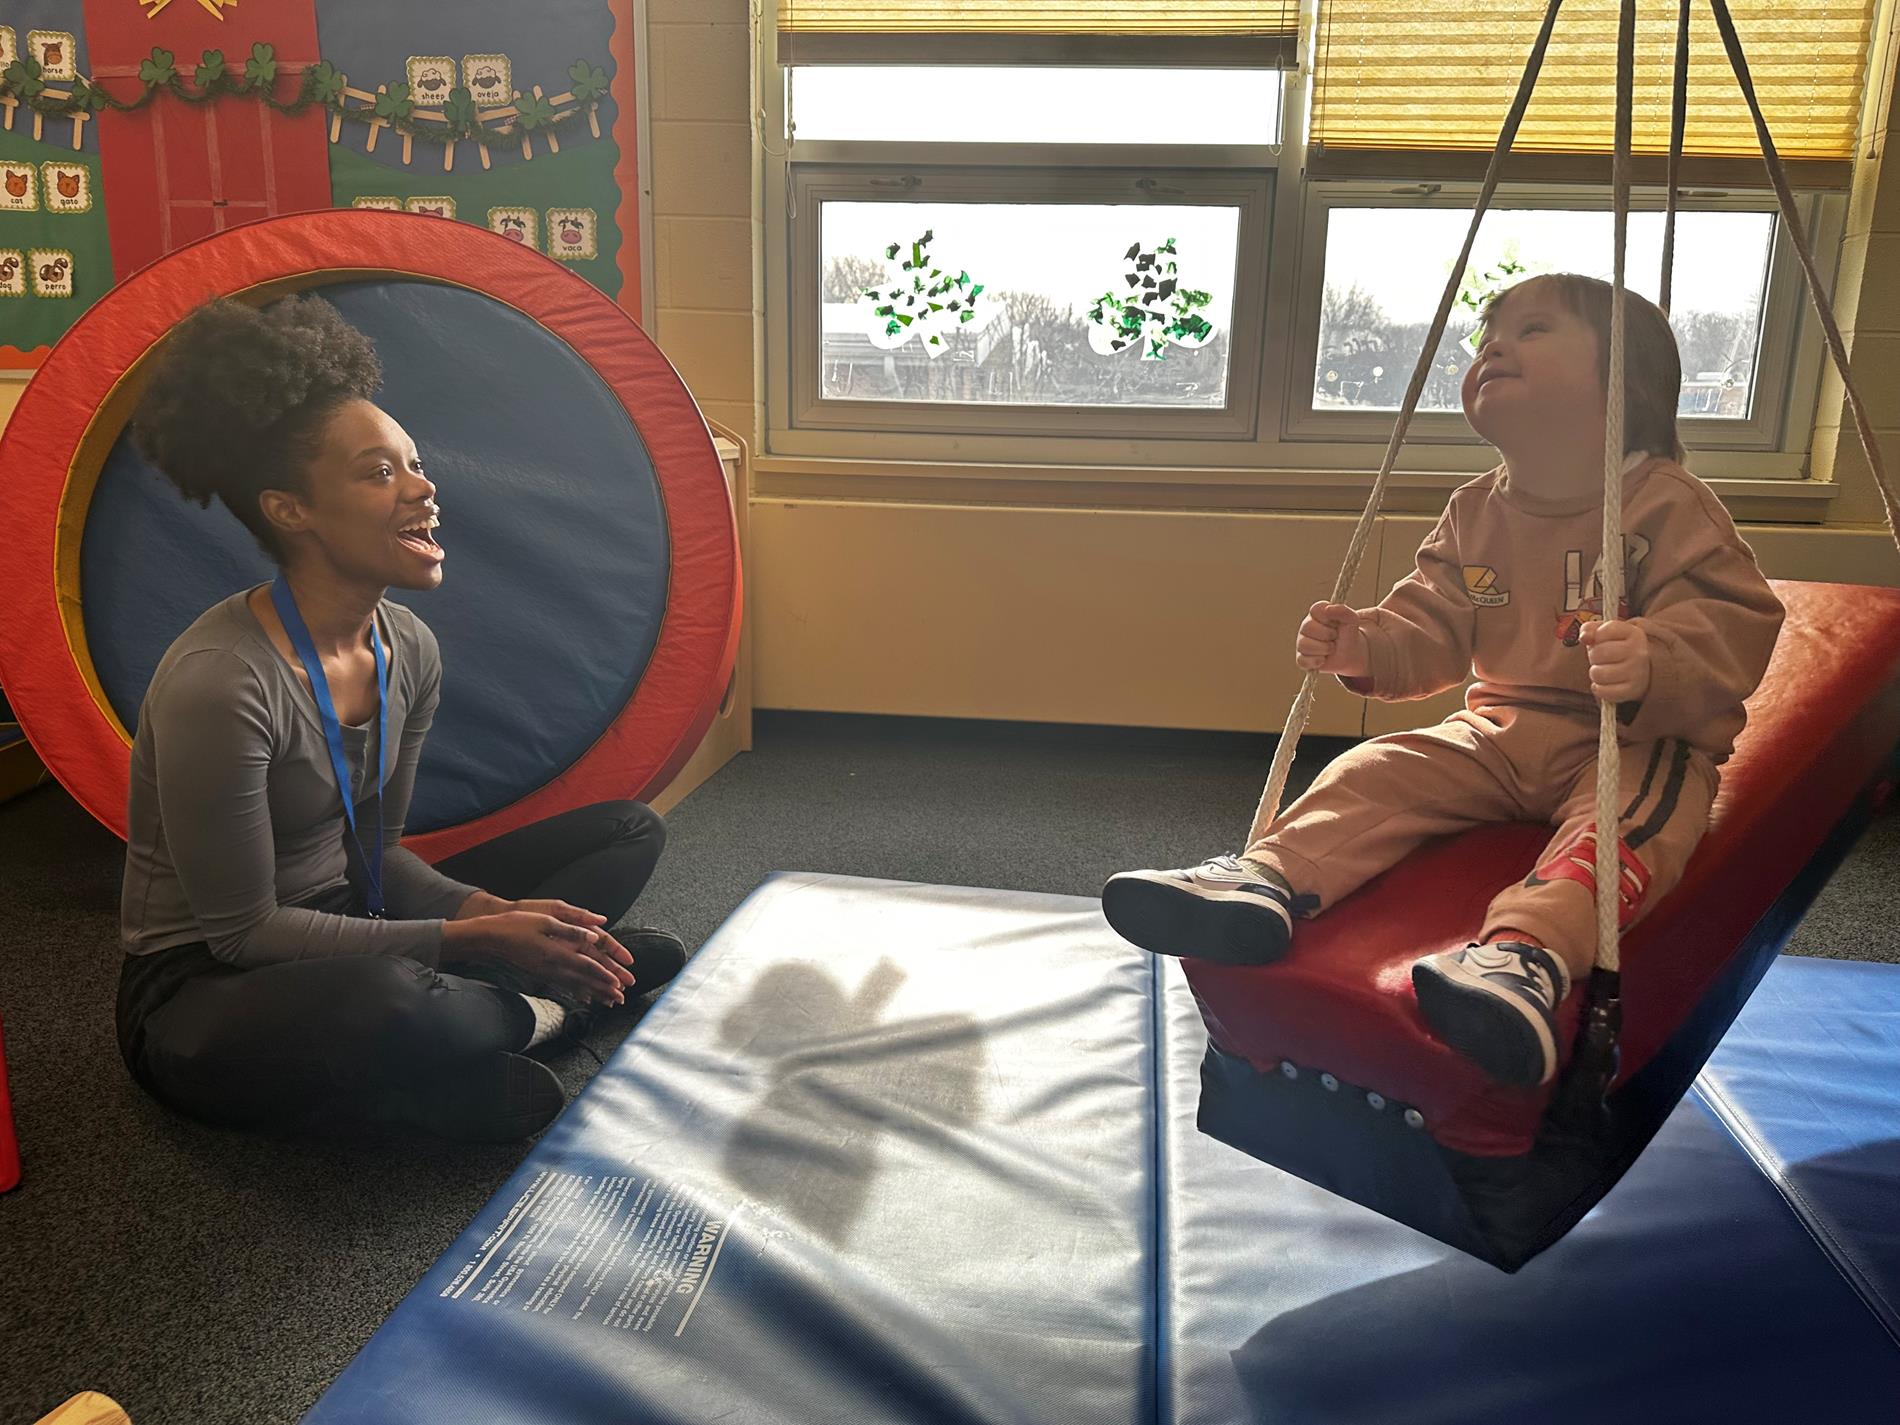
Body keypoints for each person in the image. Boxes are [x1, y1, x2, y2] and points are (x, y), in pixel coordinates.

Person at [1103, 274, 1785, 1089]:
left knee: (1629, 823)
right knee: (1376, 768)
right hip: (1502, 730)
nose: (1494, 345)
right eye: (1489, 334)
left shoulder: (1668, 504)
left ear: (1624, 382)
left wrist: (1658, 658)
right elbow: (1430, 627)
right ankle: (1269, 877)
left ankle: (1521, 955)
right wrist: (1364, 644)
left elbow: (1739, 619)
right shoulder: (1475, 511)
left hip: (1633, 739)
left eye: (1533, 330)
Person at [115, 294, 687, 1143]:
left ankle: (495, 1008)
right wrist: (479, 937)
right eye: (380, 472)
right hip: (205, 986)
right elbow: (243, 933)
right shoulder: (219, 682)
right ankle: (535, 1012)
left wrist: (498, 909)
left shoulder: (408, 647)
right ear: (290, 510)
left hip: (357, 911)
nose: (424, 487)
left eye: (414, 463)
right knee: (395, 1003)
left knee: (627, 832)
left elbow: (373, 858)